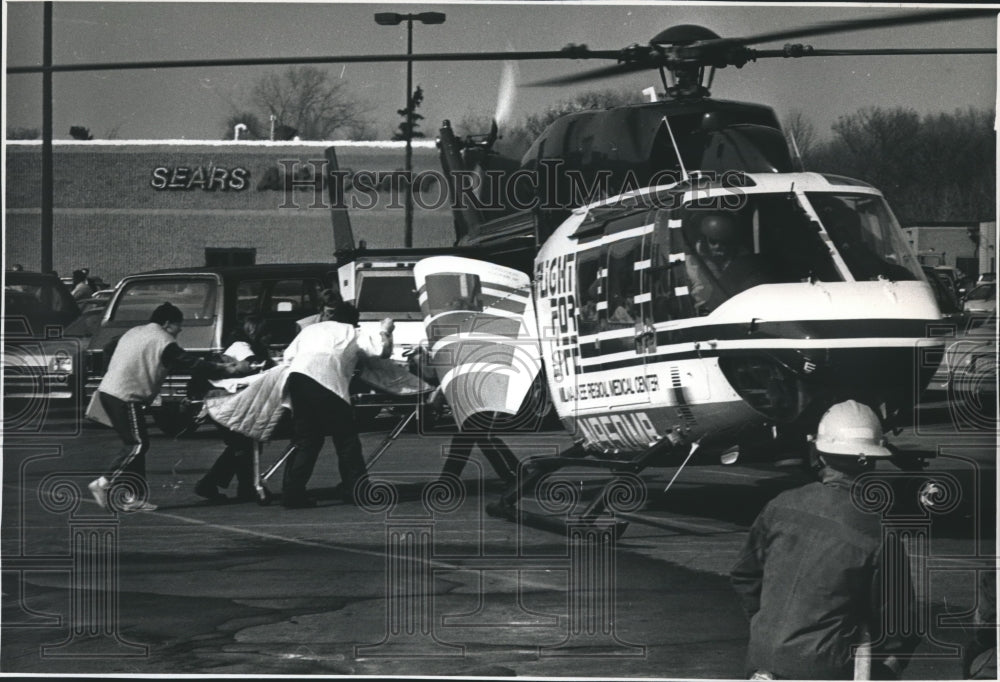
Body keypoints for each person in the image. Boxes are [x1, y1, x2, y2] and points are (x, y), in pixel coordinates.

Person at [730, 400, 920, 680]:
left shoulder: (780, 506)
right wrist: (888, 668)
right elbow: (900, 625)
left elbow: (745, 575)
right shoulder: (877, 532)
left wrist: (771, 628)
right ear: (871, 460)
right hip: (824, 668)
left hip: (761, 661)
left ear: (819, 453)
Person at [87, 302, 238, 512]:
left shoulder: (135, 331)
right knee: (137, 445)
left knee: (136, 445)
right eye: (178, 325)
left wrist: (115, 370)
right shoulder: (163, 340)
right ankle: (104, 483)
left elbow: (109, 348)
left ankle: (134, 496)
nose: (180, 330)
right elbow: (190, 362)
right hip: (126, 396)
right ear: (167, 324)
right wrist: (223, 369)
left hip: (109, 392)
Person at [280, 302, 394, 508]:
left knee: (306, 439)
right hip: (327, 383)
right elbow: (382, 352)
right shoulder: (353, 331)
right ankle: (355, 489)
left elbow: (287, 357)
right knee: (346, 439)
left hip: (298, 379)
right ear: (354, 320)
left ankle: (292, 493)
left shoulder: (310, 330)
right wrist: (386, 330)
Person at [193, 314, 276, 502]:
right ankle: (223, 485)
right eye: (266, 334)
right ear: (256, 333)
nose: (269, 338)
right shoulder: (242, 347)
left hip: (229, 401)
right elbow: (253, 365)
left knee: (242, 444)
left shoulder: (239, 345)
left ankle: (228, 486)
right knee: (244, 443)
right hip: (225, 401)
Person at [686, 211, 773, 313]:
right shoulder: (691, 263)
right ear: (705, 240)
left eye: (724, 242)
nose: (718, 246)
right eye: (713, 241)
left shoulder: (743, 261)